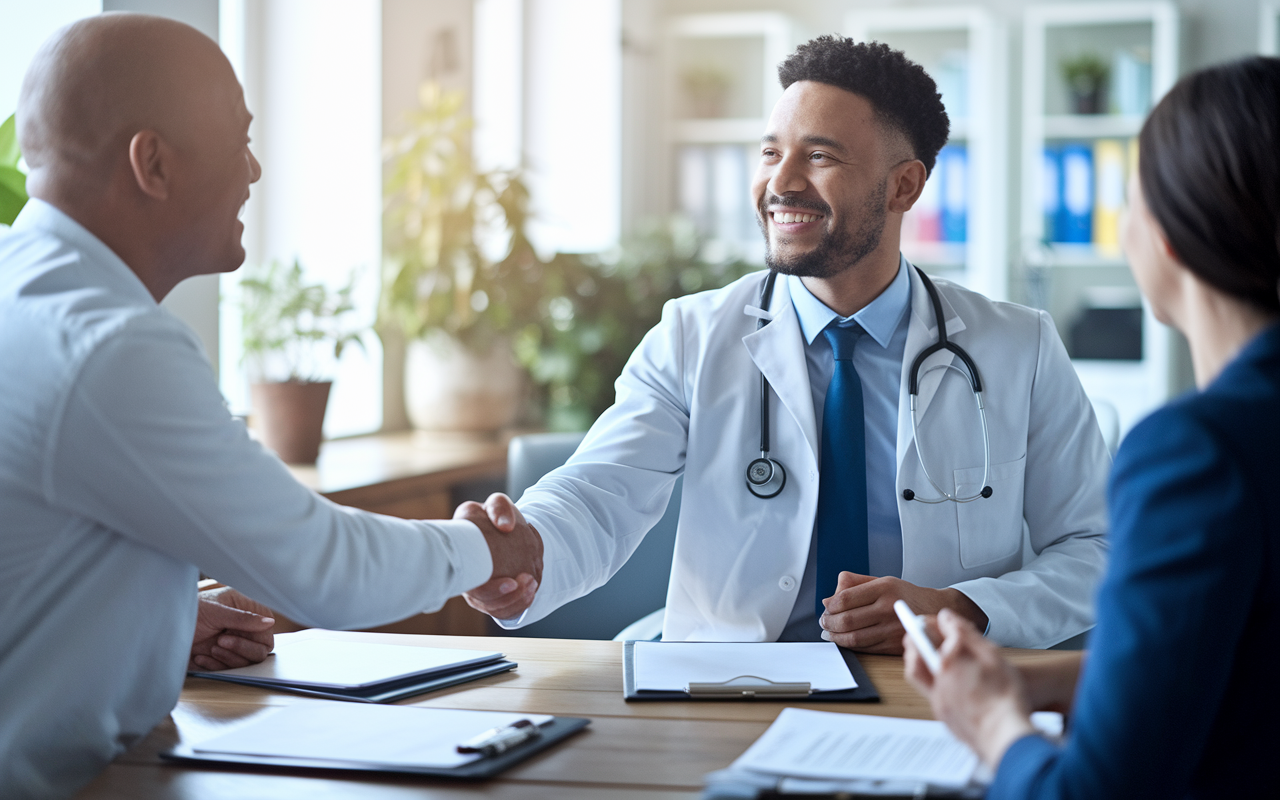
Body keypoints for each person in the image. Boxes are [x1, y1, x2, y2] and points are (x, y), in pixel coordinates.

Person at [0, 14, 539, 799]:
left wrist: (153, 622)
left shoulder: (22, 295)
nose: (253, 170)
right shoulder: (109, 345)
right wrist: (491, 551)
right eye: (238, 139)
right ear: (152, 162)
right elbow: (327, 569)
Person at [466, 37, 1110, 650]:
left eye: (820, 156)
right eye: (772, 153)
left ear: (904, 186)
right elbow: (599, 491)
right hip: (731, 692)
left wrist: (964, 609)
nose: (782, 183)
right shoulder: (692, 336)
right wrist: (528, 545)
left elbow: (1096, 549)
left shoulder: (1017, 349)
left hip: (934, 687)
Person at [903, 56, 1280, 799]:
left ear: (1167, 234)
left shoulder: (1197, 454)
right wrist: (1030, 677)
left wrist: (992, 724)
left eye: (1129, 199)